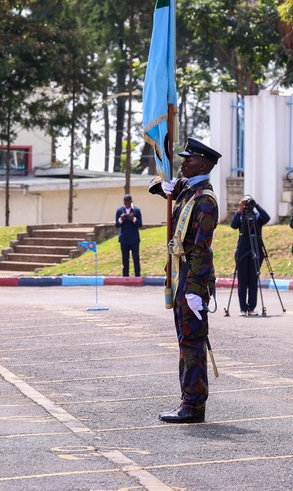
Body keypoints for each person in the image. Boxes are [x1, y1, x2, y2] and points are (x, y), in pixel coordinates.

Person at [152, 138, 221, 424]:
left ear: (202, 165)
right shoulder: (189, 189)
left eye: (189, 160)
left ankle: (193, 406)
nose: (183, 163)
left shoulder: (204, 200)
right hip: (182, 278)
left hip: (192, 282)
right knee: (185, 343)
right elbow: (160, 184)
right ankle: (188, 401)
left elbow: (201, 249)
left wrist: (194, 291)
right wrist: (161, 184)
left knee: (192, 344)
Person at [230, 195, 271, 316]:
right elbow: (233, 225)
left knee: (253, 280)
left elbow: (267, 218)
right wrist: (239, 209)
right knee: (242, 280)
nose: (248, 205)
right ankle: (243, 308)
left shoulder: (257, 216)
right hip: (242, 251)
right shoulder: (241, 216)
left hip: (256, 251)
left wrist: (256, 205)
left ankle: (251, 308)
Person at [115, 194, 143, 277]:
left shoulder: (137, 210)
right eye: (125, 203)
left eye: (128, 203)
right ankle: (125, 275)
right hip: (124, 238)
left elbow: (140, 224)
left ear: (131, 202)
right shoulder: (119, 210)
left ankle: (137, 275)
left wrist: (133, 219)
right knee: (125, 259)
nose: (127, 205)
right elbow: (116, 225)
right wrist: (121, 219)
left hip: (134, 238)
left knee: (135, 258)